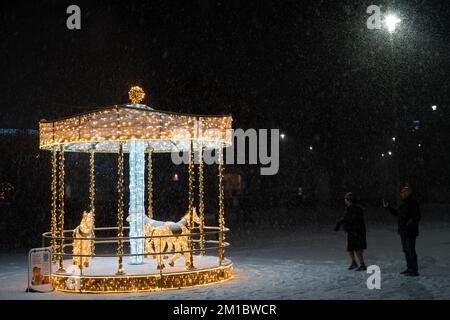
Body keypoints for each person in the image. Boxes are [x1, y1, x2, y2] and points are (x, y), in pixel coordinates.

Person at [384, 185, 421, 276]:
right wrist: (388, 207)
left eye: (404, 192)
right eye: (401, 192)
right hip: (403, 231)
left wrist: (410, 223)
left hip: (410, 231)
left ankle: (414, 270)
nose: (402, 194)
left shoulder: (413, 203)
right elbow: (398, 214)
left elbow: (417, 216)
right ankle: (409, 268)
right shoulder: (403, 204)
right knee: (406, 250)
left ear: (409, 192)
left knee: (411, 250)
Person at [335, 192, 367, 271]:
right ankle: (354, 262)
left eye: (346, 199)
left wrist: (345, 225)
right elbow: (346, 218)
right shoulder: (349, 208)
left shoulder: (355, 209)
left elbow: (353, 220)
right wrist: (340, 224)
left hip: (357, 231)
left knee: (357, 249)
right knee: (350, 248)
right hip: (352, 231)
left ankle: (362, 265)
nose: (345, 201)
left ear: (350, 200)